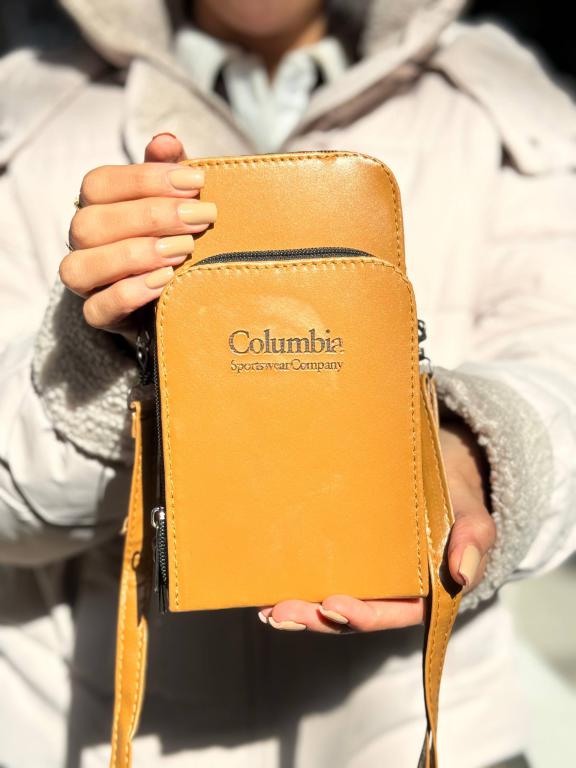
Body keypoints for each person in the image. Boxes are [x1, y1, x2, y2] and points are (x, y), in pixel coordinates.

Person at [0, 0, 575, 766]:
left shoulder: (490, 98)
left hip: (416, 727)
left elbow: (561, 357)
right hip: (89, 725)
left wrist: (474, 451)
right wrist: (100, 362)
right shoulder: (30, 104)